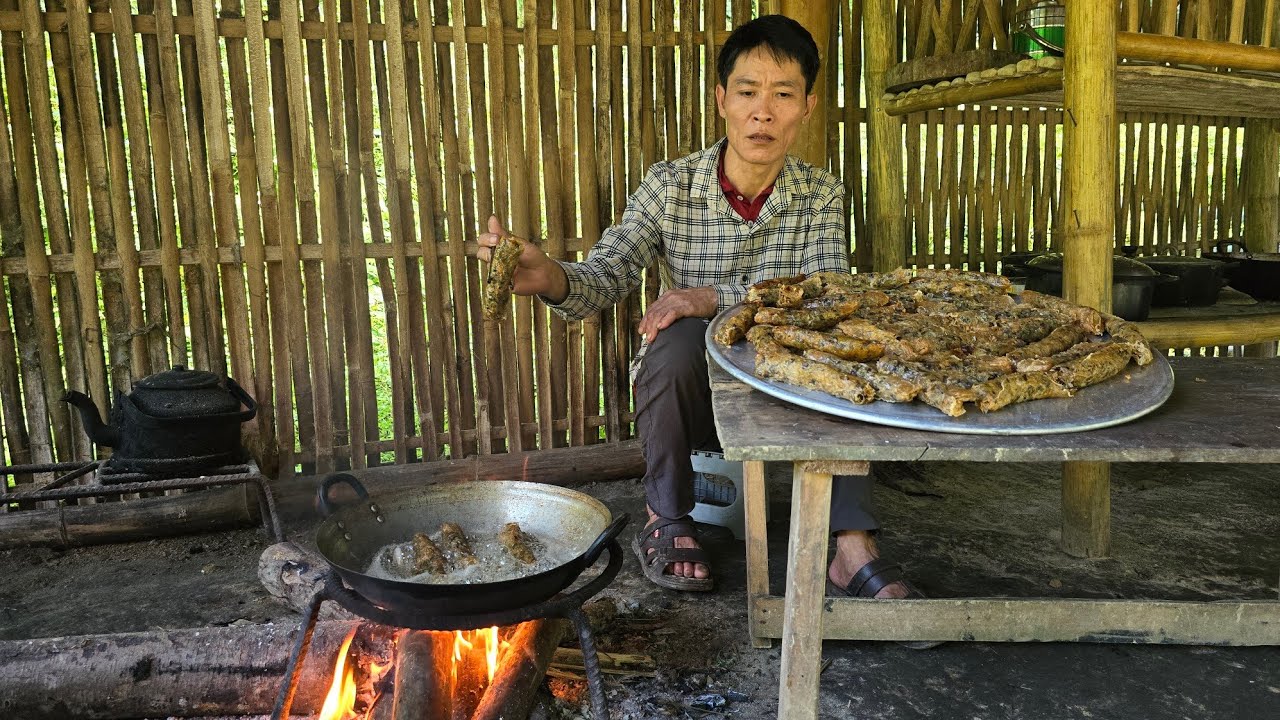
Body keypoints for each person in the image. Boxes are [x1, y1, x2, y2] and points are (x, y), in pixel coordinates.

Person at [476, 15, 921, 600]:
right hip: (694, 395)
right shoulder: (671, 187)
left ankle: (851, 544)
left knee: (843, 354)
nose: (763, 113)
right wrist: (552, 277)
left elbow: (827, 296)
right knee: (676, 338)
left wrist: (712, 297)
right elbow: (608, 273)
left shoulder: (821, 195)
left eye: (783, 95)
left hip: (790, 388)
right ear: (722, 100)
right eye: (748, 92)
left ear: (807, 107)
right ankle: (666, 516)